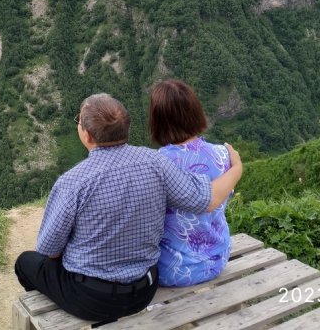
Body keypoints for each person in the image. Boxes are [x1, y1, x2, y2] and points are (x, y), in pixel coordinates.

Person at [15, 93, 242, 323]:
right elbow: (203, 199)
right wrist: (236, 169)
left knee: (26, 263)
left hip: (90, 298)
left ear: (87, 134)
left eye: (79, 122)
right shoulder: (156, 163)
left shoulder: (72, 182)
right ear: (126, 128)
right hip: (144, 290)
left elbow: (49, 249)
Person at [148, 79, 232, 287]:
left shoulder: (157, 163)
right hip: (217, 259)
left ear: (157, 120)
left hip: (172, 270)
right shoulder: (223, 155)